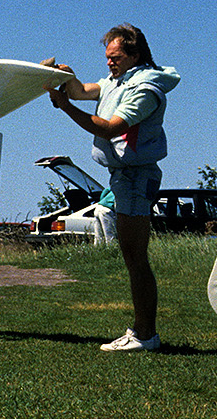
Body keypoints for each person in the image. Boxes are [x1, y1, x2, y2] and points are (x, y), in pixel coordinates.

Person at [48, 24, 180, 352]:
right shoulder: (117, 81)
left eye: (116, 57)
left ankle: (145, 335)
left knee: (136, 257)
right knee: (132, 255)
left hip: (136, 177)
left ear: (135, 55)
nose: (109, 63)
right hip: (123, 177)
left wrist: (64, 106)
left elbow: (109, 129)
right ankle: (142, 331)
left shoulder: (145, 90)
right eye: (107, 57)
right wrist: (65, 78)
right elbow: (81, 91)